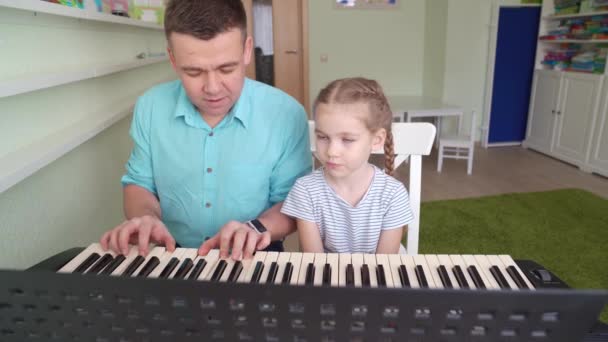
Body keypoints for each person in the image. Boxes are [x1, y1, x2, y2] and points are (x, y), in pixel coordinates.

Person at [100, 0, 311, 260]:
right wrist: (146, 218)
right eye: (194, 71)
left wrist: (255, 229)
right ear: (173, 59)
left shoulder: (287, 113)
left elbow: (295, 203)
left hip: (257, 252)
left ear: (246, 50)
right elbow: (139, 184)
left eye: (226, 68)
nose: (212, 88)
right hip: (174, 253)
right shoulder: (150, 107)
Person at [281, 77, 413, 254]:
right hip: (328, 277)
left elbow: (384, 268)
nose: (332, 151)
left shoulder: (393, 194)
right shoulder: (305, 191)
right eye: (323, 137)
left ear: (376, 140)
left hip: (378, 276)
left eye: (347, 139)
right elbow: (315, 263)